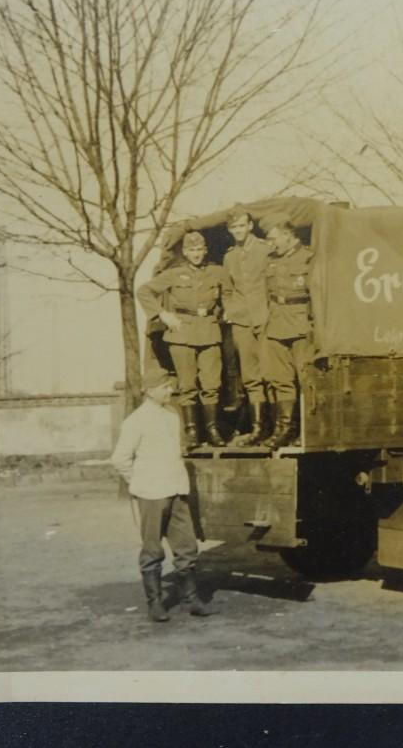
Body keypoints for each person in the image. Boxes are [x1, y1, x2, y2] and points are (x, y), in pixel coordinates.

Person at [109, 367, 216, 621]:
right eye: (165, 387)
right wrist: (139, 483)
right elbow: (120, 459)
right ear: (150, 390)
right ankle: (155, 603)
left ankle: (192, 599)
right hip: (151, 493)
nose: (171, 390)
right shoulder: (136, 421)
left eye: (171, 386)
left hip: (177, 490)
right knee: (152, 549)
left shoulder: (172, 415)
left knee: (187, 546)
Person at [137, 230, 229, 448]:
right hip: (181, 333)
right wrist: (162, 314)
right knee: (187, 385)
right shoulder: (174, 274)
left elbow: (231, 294)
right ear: (185, 252)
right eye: (191, 250)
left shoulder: (218, 272)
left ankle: (212, 428)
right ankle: (192, 431)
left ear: (205, 250)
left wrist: (227, 311)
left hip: (209, 330)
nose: (196, 254)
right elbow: (144, 291)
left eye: (199, 250)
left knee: (211, 383)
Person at [221, 206, 272, 446]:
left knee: (272, 373)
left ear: (250, 226)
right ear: (230, 230)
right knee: (250, 377)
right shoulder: (229, 256)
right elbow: (228, 289)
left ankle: (278, 428)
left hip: (266, 318)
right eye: (234, 227)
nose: (238, 231)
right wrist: (231, 310)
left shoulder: (265, 250)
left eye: (242, 225)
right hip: (242, 321)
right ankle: (258, 428)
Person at [260, 220, 312, 449]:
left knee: (306, 380)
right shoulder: (270, 261)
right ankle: (285, 428)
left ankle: (307, 430)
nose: (271, 244)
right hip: (277, 323)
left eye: (273, 238)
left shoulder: (310, 258)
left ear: (288, 235)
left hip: (302, 324)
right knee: (281, 380)